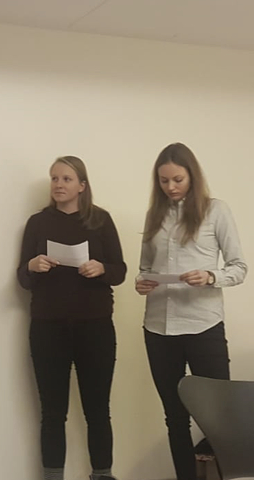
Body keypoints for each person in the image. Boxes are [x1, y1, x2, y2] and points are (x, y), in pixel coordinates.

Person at [135, 143, 247, 480]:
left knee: (220, 416)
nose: (170, 187)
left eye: (178, 179)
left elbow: (239, 267)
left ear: (192, 177)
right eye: (164, 181)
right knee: (175, 417)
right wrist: (143, 282)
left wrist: (210, 276)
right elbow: (144, 268)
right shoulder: (154, 215)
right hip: (158, 329)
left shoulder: (216, 211)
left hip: (203, 326)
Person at [17, 156, 126, 480]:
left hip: (95, 326)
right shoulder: (37, 223)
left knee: (98, 410)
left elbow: (120, 271)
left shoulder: (100, 220)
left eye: (66, 179)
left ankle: (102, 474)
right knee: (52, 413)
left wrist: (101, 268)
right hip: (48, 328)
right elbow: (22, 278)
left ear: (82, 185)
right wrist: (32, 266)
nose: (58, 185)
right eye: (54, 178)